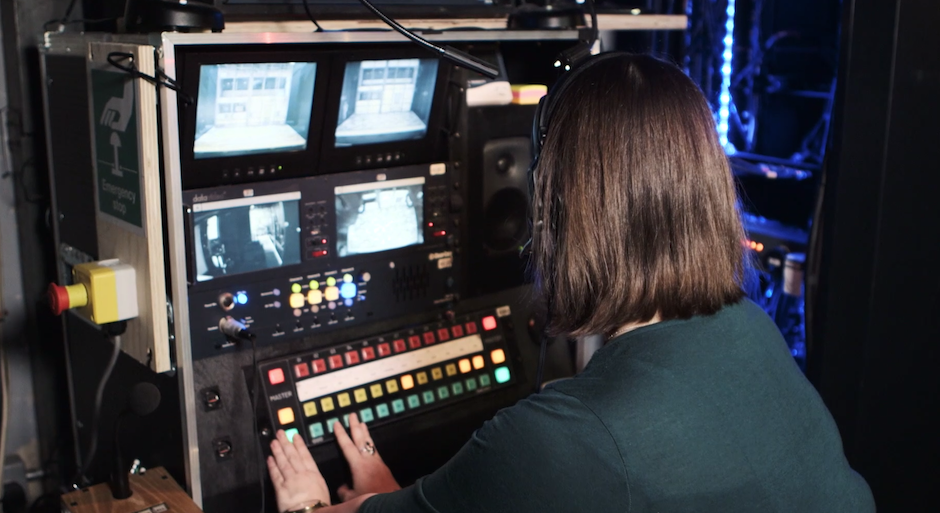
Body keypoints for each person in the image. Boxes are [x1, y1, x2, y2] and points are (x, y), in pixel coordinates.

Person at [267, 53, 875, 513]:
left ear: (553, 213)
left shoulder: (561, 438)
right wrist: (391, 496)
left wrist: (310, 504)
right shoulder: (752, 330)